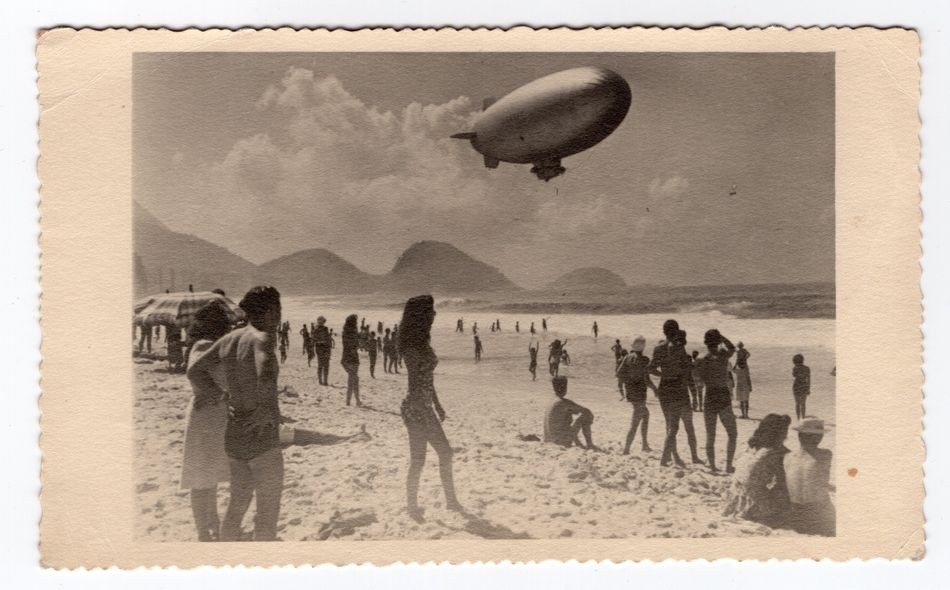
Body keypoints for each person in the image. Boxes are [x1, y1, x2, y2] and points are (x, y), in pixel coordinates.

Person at [186, 286, 284, 541]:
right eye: (278, 311)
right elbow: (266, 372)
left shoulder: (229, 339)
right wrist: (264, 409)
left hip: (235, 430)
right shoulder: (261, 338)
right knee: (267, 513)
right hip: (261, 433)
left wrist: (219, 394)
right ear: (272, 311)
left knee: (235, 508)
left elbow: (195, 371)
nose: (279, 317)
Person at [398, 295, 463, 521]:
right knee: (430, 456)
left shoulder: (422, 344)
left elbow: (428, 379)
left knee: (435, 455)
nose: (435, 314)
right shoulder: (412, 350)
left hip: (423, 407)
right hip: (416, 409)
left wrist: (437, 405)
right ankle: (417, 505)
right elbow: (414, 385)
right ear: (421, 315)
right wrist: (426, 412)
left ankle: (447, 502)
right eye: (431, 310)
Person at [180, 303, 233, 541]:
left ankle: (211, 525)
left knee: (207, 478)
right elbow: (195, 373)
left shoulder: (207, 345)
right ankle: (204, 531)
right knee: (201, 479)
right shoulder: (205, 346)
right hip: (206, 417)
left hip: (211, 416)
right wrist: (218, 394)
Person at [723, 413, 791, 528]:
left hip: (735, 498)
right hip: (755, 503)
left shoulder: (752, 446)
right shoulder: (775, 452)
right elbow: (783, 481)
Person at [649, 320, 701, 467]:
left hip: (664, 387)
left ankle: (675, 456)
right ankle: (675, 458)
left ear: (663, 331)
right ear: (677, 330)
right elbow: (686, 370)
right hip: (678, 387)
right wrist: (694, 390)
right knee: (684, 425)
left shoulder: (658, 348)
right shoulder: (679, 348)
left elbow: (651, 368)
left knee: (670, 425)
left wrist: (664, 375)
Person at [695, 329, 738, 473]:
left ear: (705, 342)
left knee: (710, 434)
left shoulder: (701, 359)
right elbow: (733, 348)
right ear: (718, 341)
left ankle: (712, 466)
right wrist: (722, 337)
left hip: (710, 395)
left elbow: (698, 380)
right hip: (723, 395)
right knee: (732, 433)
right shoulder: (722, 355)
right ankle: (728, 465)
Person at [784, 417, 835, 536]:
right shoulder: (826, 454)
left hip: (795, 513)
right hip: (817, 512)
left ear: (799, 436)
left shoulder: (788, 457)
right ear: (819, 437)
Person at [616, 336, 655, 455]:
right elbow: (647, 379)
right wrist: (655, 389)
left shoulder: (627, 357)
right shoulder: (644, 360)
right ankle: (626, 449)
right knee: (635, 421)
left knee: (645, 414)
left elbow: (618, 374)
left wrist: (628, 383)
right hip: (640, 393)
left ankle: (644, 444)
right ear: (643, 347)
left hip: (631, 392)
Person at [543, 375, 596, 450]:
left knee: (567, 415)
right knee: (586, 415)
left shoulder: (552, 401)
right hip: (560, 441)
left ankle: (578, 443)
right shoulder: (564, 402)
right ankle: (590, 444)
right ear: (565, 387)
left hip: (548, 439)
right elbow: (586, 411)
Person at [341, 314, 361, 407]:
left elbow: (348, 346)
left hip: (345, 358)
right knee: (354, 379)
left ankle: (349, 400)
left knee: (352, 378)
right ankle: (356, 400)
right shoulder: (353, 333)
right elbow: (355, 346)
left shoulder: (345, 332)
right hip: (353, 358)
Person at [733, 342, 752, 418]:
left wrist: (736, 365)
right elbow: (749, 355)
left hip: (739, 385)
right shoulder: (744, 351)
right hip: (746, 385)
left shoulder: (738, 371)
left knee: (741, 400)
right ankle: (746, 414)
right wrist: (745, 358)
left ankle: (743, 414)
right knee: (746, 400)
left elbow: (734, 367)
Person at [312, 317, 332, 385]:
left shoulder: (319, 329)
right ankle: (322, 381)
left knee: (323, 365)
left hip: (322, 349)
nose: (322, 323)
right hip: (322, 348)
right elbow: (314, 340)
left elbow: (327, 339)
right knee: (323, 365)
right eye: (321, 321)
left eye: (322, 321)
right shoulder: (317, 330)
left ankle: (323, 381)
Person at [792, 354, 811, 420]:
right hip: (804, 386)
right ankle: (803, 418)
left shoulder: (795, 368)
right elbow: (809, 379)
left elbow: (794, 375)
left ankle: (798, 419)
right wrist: (808, 388)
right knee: (803, 404)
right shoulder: (807, 368)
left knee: (797, 404)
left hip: (796, 385)